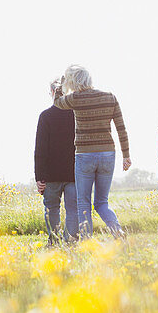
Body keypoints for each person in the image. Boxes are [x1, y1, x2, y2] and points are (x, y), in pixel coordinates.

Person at [52, 65, 131, 238]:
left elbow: (57, 102)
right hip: (108, 154)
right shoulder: (110, 97)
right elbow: (121, 129)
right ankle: (118, 231)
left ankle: (87, 242)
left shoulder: (75, 98)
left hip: (84, 156)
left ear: (73, 81)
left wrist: (60, 85)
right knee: (102, 202)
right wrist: (126, 155)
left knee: (83, 203)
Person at [35, 80, 78, 245]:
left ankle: (55, 240)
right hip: (73, 173)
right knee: (72, 208)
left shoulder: (45, 116)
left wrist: (39, 176)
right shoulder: (76, 114)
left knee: (52, 208)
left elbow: (40, 149)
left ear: (52, 93)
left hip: (50, 175)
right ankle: (72, 241)